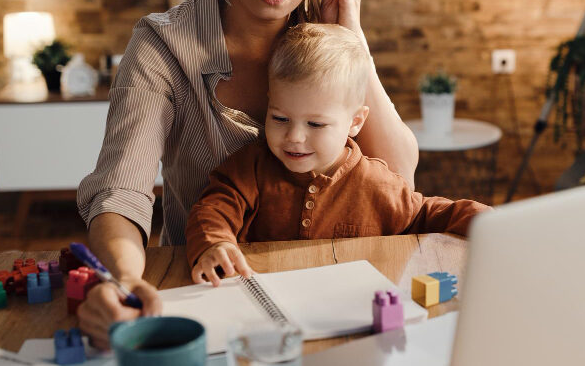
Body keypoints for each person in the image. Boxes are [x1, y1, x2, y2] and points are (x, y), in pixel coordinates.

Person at [74, 0, 420, 349]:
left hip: (334, 297)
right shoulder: (162, 46)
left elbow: (398, 174)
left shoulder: (330, 39)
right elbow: (121, 192)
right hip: (208, 294)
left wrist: (352, 38)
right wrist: (125, 278)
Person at [187, 23, 491, 286]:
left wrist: (492, 225)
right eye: (280, 118)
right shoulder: (250, 168)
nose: (294, 137)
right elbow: (212, 209)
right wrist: (215, 244)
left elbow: (427, 215)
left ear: (355, 122)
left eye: (315, 123)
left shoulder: (377, 184)